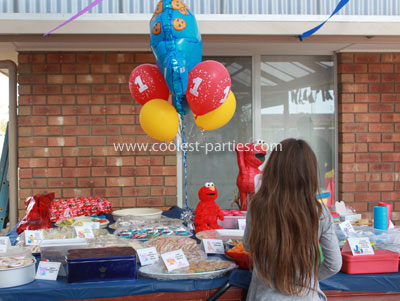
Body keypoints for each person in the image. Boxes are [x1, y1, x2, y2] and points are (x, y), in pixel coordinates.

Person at [243, 138, 341, 300]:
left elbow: (248, 245)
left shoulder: (257, 206)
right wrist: (304, 278)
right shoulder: (319, 211)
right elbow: (333, 264)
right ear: (309, 174)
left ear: (273, 170)